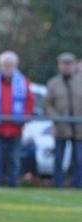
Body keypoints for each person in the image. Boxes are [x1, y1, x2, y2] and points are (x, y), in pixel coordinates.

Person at [0, 50, 34, 187]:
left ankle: (13, 185)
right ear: (0, 65)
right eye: (5, 64)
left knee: (14, 160)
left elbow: (29, 102)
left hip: (15, 129)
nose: (7, 67)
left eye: (10, 64)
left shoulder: (24, 83)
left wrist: (25, 116)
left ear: (16, 65)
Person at [44, 52, 82, 188]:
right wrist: (56, 118)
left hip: (79, 129)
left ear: (74, 65)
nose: (66, 67)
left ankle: (78, 186)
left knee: (79, 159)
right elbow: (47, 104)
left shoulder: (80, 83)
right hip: (61, 128)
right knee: (59, 158)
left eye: (69, 64)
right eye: (63, 64)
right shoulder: (53, 84)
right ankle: (58, 185)